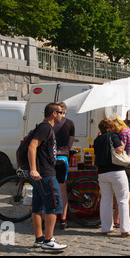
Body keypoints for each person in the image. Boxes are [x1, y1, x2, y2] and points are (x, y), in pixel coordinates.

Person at [29, 102, 67, 250]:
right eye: (60, 112)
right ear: (53, 113)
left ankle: (39, 238)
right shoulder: (45, 127)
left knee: (38, 206)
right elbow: (32, 146)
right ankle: (48, 240)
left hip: (42, 172)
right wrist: (33, 169)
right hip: (45, 173)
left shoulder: (46, 127)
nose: (62, 114)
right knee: (53, 205)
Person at [93, 118, 130, 238]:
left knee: (105, 200)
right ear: (111, 127)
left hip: (102, 173)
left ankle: (106, 227)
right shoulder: (113, 135)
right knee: (122, 199)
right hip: (116, 171)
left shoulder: (97, 139)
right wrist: (122, 144)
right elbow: (119, 149)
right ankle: (125, 229)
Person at [110, 114, 130, 228]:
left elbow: (121, 148)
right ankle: (118, 219)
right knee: (123, 192)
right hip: (129, 162)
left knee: (126, 193)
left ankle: (129, 219)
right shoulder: (128, 130)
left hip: (126, 163)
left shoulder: (124, 132)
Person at [53, 101, 75, 229]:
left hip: (50, 158)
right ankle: (63, 219)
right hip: (63, 157)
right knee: (62, 189)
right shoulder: (70, 123)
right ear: (65, 111)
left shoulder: (50, 123)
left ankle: (46, 219)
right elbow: (70, 143)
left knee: (49, 187)